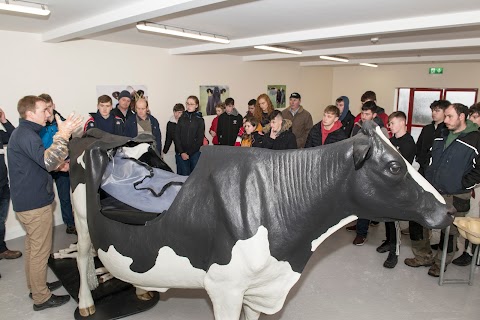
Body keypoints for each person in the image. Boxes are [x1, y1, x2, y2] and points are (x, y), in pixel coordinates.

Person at [7, 95, 83, 310]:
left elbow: (40, 161)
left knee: (33, 249)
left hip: (28, 202)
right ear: (30, 113)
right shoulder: (27, 135)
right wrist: (63, 134)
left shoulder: (25, 133)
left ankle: (36, 286)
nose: (48, 114)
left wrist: (59, 166)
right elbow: (48, 160)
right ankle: (41, 298)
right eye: (43, 111)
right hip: (34, 205)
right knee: (40, 251)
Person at [405, 103, 480, 277]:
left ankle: (441, 263)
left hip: (456, 194)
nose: (445, 120)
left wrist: (463, 184)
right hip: (432, 190)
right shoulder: (441, 133)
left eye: (449, 116)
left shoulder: (475, 138)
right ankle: (423, 256)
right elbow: (430, 156)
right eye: (445, 116)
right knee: (417, 221)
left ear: (462, 117)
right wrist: (427, 172)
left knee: (450, 232)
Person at [375, 111, 416, 268]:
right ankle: (388, 241)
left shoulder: (408, 143)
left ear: (401, 123)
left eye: (391, 123)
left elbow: (403, 167)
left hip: (399, 187)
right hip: (387, 185)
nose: (389, 126)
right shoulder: (391, 140)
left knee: (395, 221)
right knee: (387, 218)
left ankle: (394, 252)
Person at [346, 101, 389, 245]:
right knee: (357, 200)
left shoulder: (380, 130)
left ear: (374, 115)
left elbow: (382, 153)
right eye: (363, 113)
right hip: (356, 167)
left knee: (364, 201)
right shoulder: (357, 125)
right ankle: (359, 224)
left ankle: (362, 233)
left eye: (367, 114)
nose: (364, 117)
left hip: (370, 171)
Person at [38, 94, 76, 235]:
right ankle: (44, 228)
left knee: (65, 196)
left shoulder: (64, 123)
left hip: (62, 166)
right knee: (45, 198)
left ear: (53, 105)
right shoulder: (39, 126)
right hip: (45, 165)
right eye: (44, 108)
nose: (47, 110)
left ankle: (70, 223)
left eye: (49, 106)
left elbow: (71, 144)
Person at [0, 106, 22, 265]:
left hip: (3, 185)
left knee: (0, 219)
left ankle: (1, 249)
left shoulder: (1, 135)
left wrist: (4, 121)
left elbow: (15, 135)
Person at [174, 96, 205, 176]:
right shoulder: (182, 118)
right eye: (187, 103)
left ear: (196, 105)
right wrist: (182, 152)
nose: (189, 106)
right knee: (184, 177)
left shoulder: (199, 120)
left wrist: (189, 153)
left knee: (194, 177)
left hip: (194, 153)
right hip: (181, 153)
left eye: (191, 104)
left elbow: (199, 139)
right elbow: (176, 136)